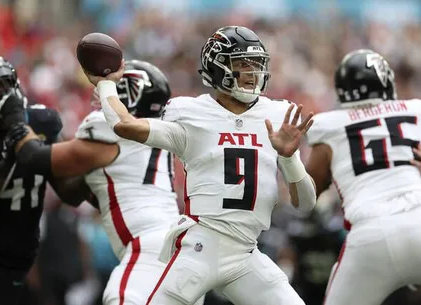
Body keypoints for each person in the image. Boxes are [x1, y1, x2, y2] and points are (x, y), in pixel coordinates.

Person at [83, 26, 316, 305]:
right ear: (217, 68)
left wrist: (289, 159)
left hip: (246, 253)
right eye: (242, 65)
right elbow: (125, 124)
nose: (253, 74)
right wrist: (106, 84)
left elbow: (305, 203)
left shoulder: (276, 115)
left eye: (256, 65)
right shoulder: (190, 113)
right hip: (201, 247)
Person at [2, 60, 203, 305]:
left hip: (148, 251)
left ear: (131, 95)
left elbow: (33, 156)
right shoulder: (155, 139)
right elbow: (72, 194)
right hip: (177, 252)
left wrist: (15, 119)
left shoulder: (110, 138)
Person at [305, 49, 421, 305]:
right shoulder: (419, 111)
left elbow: (306, 197)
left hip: (370, 237)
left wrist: (287, 161)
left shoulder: (327, 125)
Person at [0, 55, 89, 305]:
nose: (3, 94)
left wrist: (95, 170)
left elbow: (69, 193)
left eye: (6, 84)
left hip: (28, 256)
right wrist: (8, 160)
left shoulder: (40, 121)